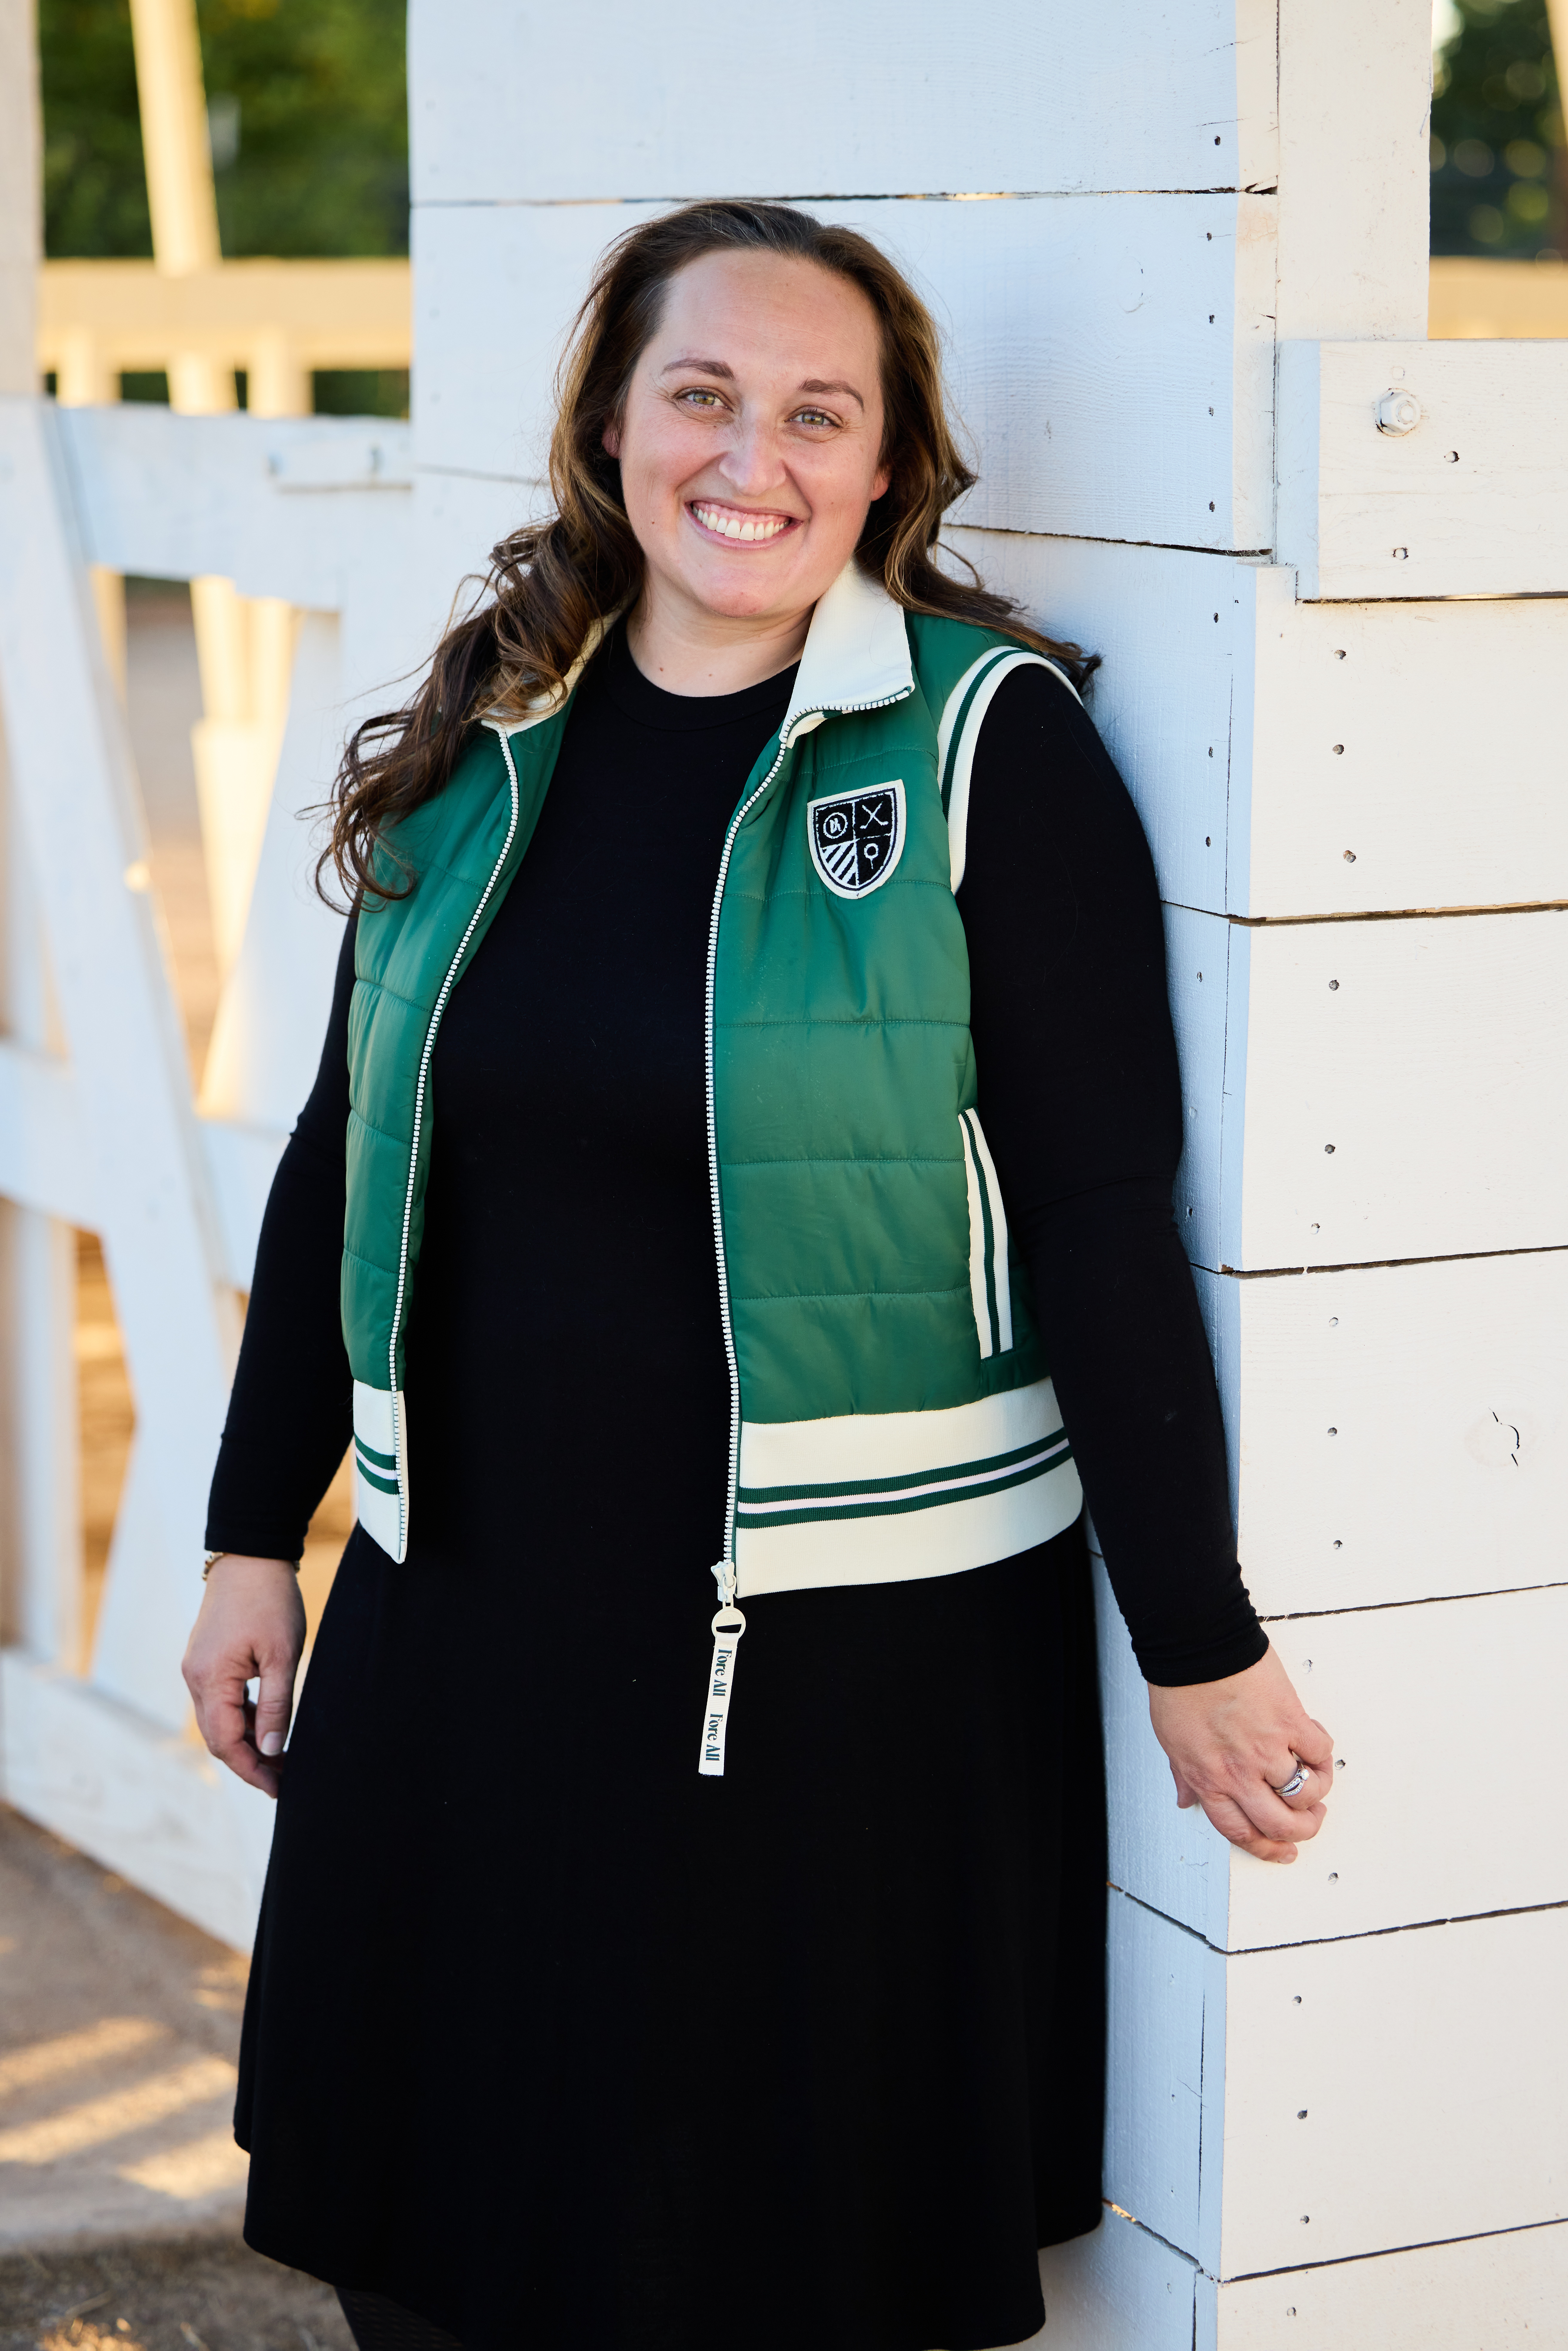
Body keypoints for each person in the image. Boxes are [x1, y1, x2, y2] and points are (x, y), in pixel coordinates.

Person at [183, 200, 1333, 2351]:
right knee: (425, 2245)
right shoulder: (486, 730)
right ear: (614, 426)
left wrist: (1197, 1639)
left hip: (833, 1664)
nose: (756, 457)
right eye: (703, 395)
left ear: (888, 467)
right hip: (463, 1630)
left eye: (823, 413)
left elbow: (1100, 1215)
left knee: (750, 2276)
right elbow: (348, 1152)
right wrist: (258, 1536)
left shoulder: (990, 753)